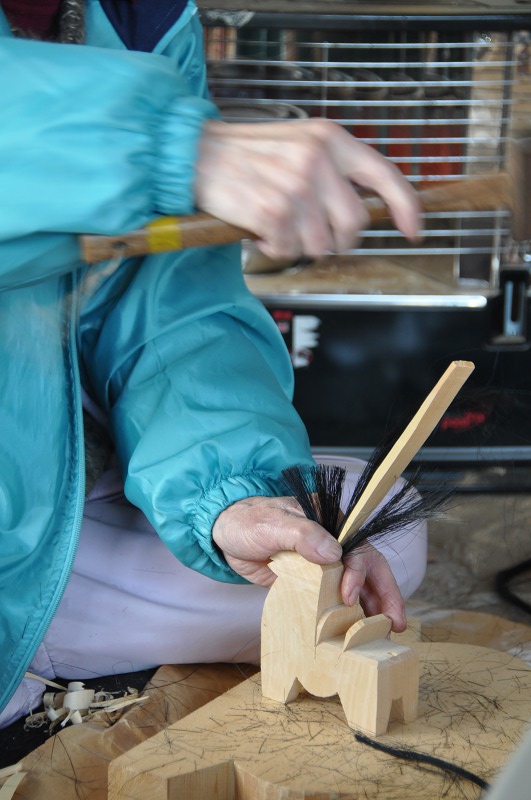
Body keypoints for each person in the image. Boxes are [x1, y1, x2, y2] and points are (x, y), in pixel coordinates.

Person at [0, 0, 425, 728]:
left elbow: (164, 313)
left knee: (371, 525)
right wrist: (164, 149)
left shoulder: (143, 17)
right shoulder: (159, 123)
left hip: (41, 481)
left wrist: (230, 497)